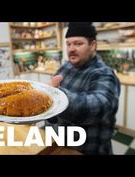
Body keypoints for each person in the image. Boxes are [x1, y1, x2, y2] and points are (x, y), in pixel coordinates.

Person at [45, 22, 121, 155]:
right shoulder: (65, 67)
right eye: (68, 44)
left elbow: (97, 107)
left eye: (78, 43)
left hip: (88, 149)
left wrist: (56, 96)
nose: (71, 49)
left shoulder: (103, 73)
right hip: (61, 145)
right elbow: (51, 106)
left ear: (93, 45)